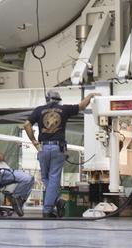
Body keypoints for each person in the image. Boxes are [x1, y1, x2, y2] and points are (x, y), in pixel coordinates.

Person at [23, 88, 99, 218]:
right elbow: (82, 106)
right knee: (53, 178)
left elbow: (26, 124)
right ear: (58, 100)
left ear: (47, 99)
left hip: (43, 148)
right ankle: (47, 210)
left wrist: (34, 142)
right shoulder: (64, 109)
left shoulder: (38, 110)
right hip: (58, 148)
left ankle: (57, 199)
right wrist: (90, 95)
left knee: (45, 177)